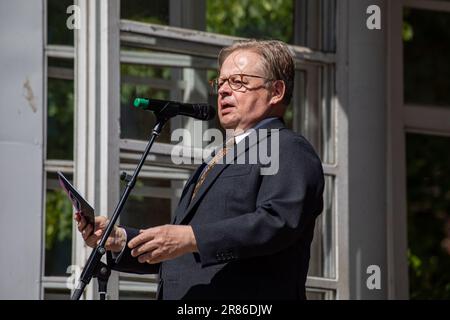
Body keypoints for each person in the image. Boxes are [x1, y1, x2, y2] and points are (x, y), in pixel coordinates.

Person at [75, 39, 324, 300]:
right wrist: (120, 240)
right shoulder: (216, 158)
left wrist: (191, 237)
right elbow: (180, 254)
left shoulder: (290, 148)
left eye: (238, 81)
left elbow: (278, 223)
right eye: (221, 82)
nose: (224, 91)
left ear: (276, 91)